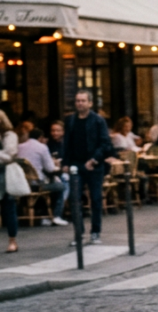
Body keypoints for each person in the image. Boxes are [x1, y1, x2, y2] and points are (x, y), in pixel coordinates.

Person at [62, 88, 114, 245]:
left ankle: (95, 232)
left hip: (94, 165)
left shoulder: (98, 120)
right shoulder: (70, 120)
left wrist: (94, 160)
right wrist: (65, 162)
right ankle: (79, 234)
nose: (79, 103)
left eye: (83, 101)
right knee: (75, 199)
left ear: (90, 103)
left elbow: (105, 144)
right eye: (77, 101)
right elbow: (67, 143)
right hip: (76, 165)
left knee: (96, 198)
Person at [18, 129, 68, 226]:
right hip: (37, 184)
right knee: (61, 185)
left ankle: (42, 215)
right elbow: (50, 169)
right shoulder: (42, 147)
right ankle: (56, 215)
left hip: (22, 182)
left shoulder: (19, 146)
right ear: (40, 137)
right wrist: (56, 164)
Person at [0, 111, 20, 253]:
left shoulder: (10, 136)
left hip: (4, 175)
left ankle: (12, 240)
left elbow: (9, 156)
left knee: (8, 208)